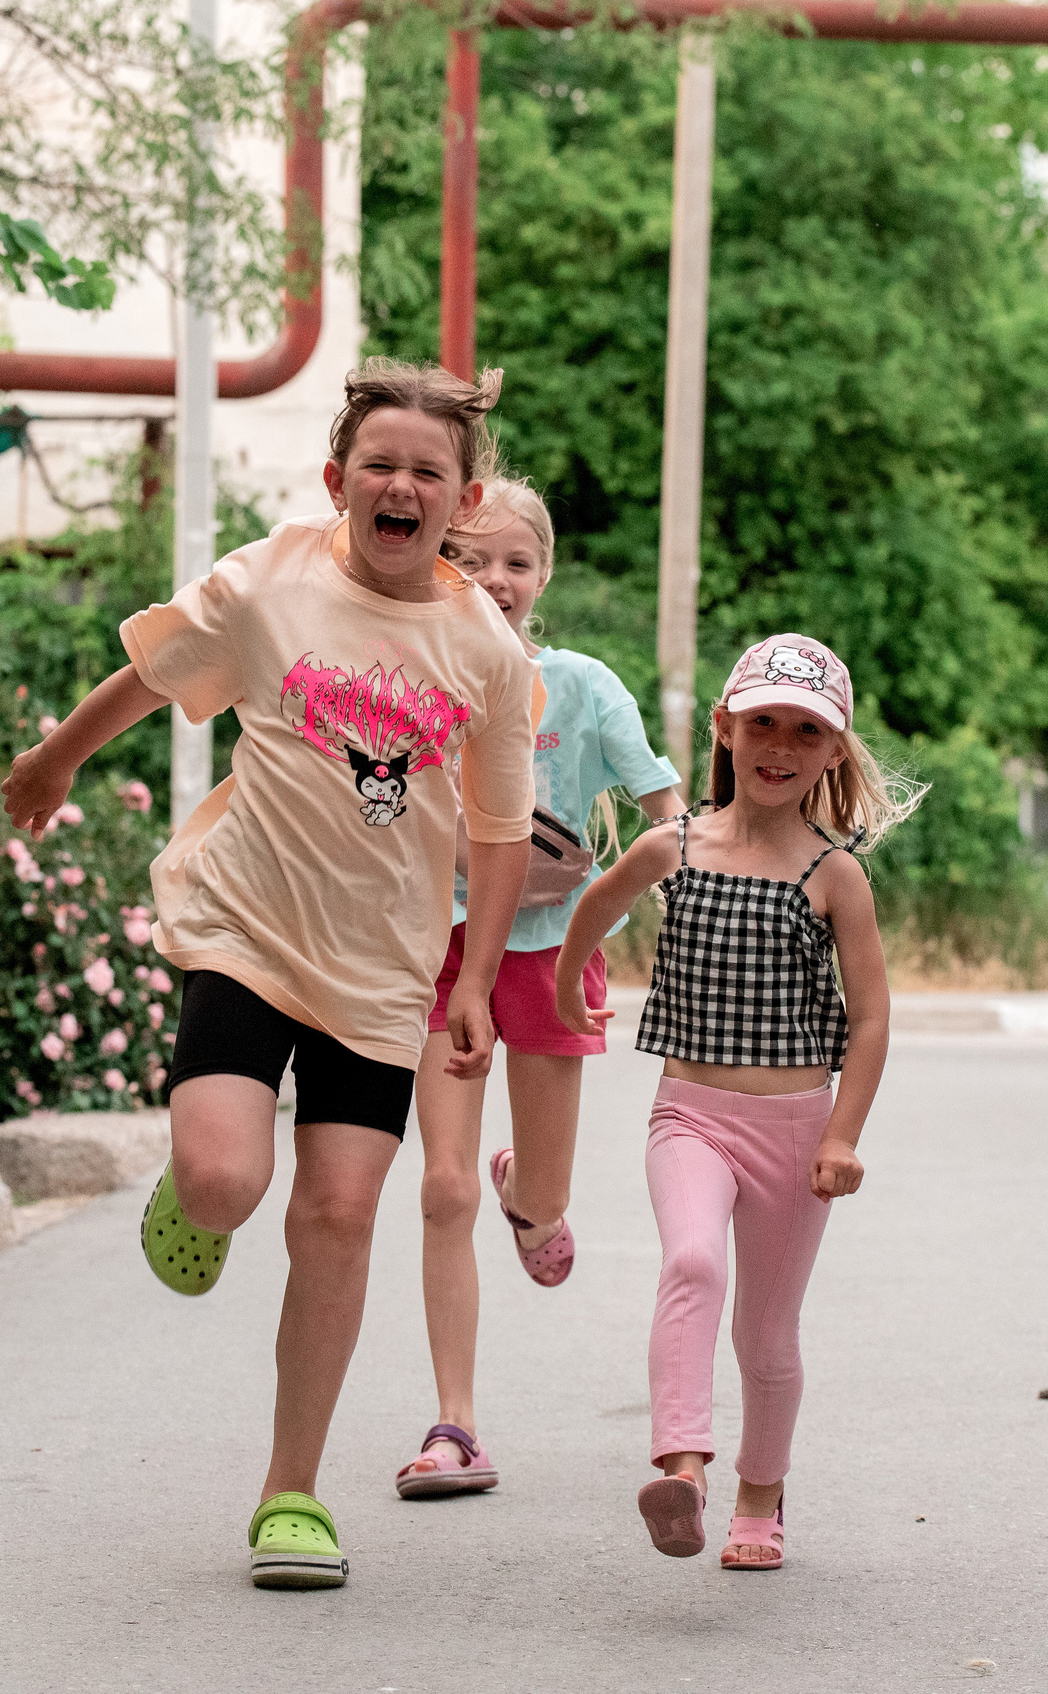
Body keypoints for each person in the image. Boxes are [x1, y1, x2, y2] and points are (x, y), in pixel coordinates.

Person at [0, 357, 539, 1591]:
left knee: (340, 1215)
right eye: (381, 464)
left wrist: (475, 980)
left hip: (383, 971)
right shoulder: (269, 581)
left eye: (430, 472)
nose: (402, 485)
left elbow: (500, 830)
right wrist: (54, 757)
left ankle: (289, 1492)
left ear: (462, 501)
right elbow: (155, 673)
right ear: (338, 477)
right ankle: (194, 1194)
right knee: (228, 1178)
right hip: (246, 929)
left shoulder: (488, 654)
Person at [553, 633, 918, 1571]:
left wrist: (843, 1134)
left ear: (833, 751)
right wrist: (567, 992)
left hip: (796, 1131)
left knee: (766, 1333)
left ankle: (762, 1494)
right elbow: (591, 908)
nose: (781, 745)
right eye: (763, 722)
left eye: (806, 730)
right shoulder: (672, 846)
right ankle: (684, 1470)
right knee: (689, 1262)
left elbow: (871, 1017)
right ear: (724, 726)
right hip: (690, 1114)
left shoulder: (834, 874)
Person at [393, 477, 688, 1501]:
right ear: (437, 564)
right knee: (441, 1184)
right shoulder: (408, 675)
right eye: (469, 560)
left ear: (543, 577)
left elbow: (668, 820)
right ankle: (454, 1427)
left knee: (541, 1196)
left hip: (556, 961)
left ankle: (530, 1195)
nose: (493, 579)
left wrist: (586, 878)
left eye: (514, 562)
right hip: (440, 957)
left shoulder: (585, 686)